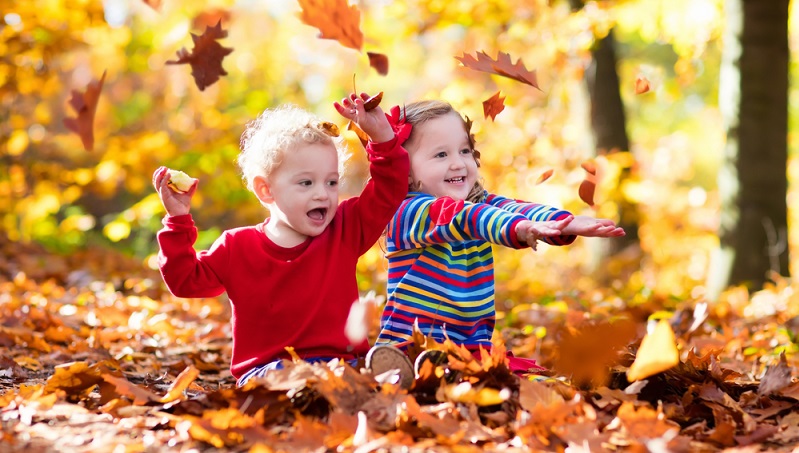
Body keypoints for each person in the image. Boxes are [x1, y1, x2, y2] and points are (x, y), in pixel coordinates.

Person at [153, 93, 415, 387]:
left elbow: (388, 189)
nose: (322, 194)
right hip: (270, 371)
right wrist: (177, 220)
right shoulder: (236, 247)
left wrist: (381, 138)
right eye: (306, 182)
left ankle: (367, 388)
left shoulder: (345, 228)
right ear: (266, 190)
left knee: (359, 370)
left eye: (331, 182)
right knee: (283, 376)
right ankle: (332, 392)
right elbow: (185, 280)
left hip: (340, 363)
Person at [375, 100, 625, 375]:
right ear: (406, 171)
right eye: (441, 155)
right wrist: (517, 228)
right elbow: (465, 218)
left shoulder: (478, 202)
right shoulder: (406, 212)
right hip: (410, 344)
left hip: (471, 348)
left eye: (464, 151)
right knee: (441, 377)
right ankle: (402, 373)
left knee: (535, 385)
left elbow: (513, 208)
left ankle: (447, 372)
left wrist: (562, 223)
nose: (458, 163)